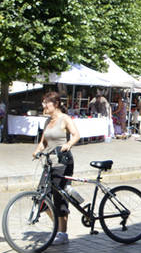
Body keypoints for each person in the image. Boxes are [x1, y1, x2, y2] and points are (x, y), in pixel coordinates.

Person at [33, 91, 81, 245]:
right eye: (43, 102)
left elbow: (76, 135)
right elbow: (43, 142)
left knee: (59, 197)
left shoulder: (64, 119)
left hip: (62, 162)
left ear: (56, 104)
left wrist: (67, 145)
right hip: (49, 163)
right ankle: (57, 227)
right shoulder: (48, 121)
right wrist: (37, 151)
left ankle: (63, 233)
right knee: (41, 197)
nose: (43, 105)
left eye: (46, 102)